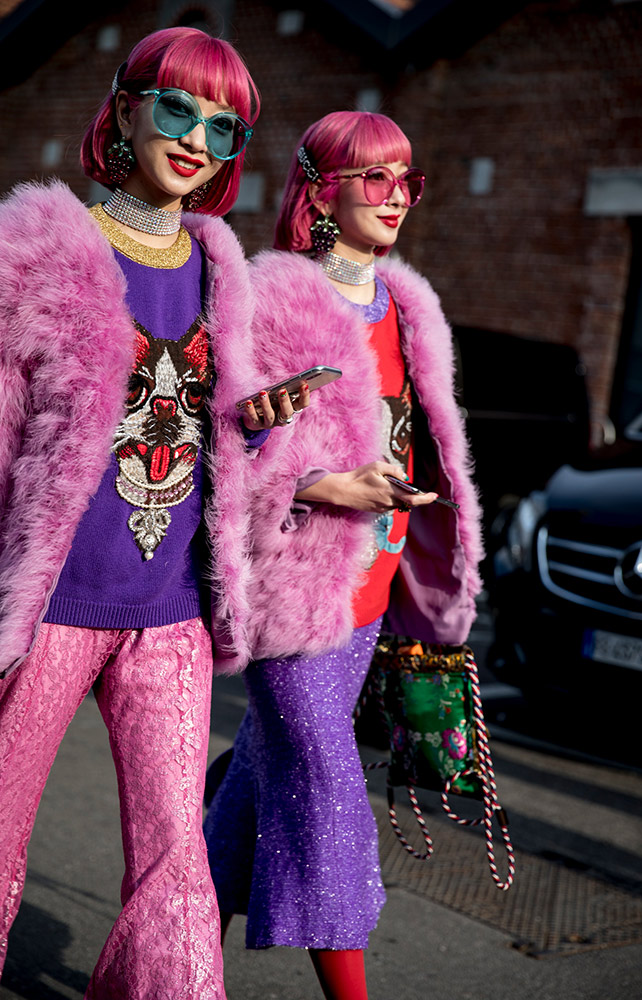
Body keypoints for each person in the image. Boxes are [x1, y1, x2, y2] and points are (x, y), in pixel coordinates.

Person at [0, 26, 306, 998]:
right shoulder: (39, 252)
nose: (196, 137)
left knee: (178, 862)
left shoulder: (226, 275)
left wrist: (259, 430)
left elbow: (225, 446)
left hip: (168, 613)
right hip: (46, 608)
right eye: (176, 106)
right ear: (124, 110)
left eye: (224, 127)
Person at [204, 111, 484, 1000]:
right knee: (327, 792)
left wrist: (419, 515)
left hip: (373, 589)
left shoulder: (408, 302)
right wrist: (325, 484)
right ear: (321, 192)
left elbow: (422, 440)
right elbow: (226, 442)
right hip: (296, 593)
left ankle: (161, 962)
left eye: (408, 178)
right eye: (375, 178)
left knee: (250, 794)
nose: (396, 194)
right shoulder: (273, 294)